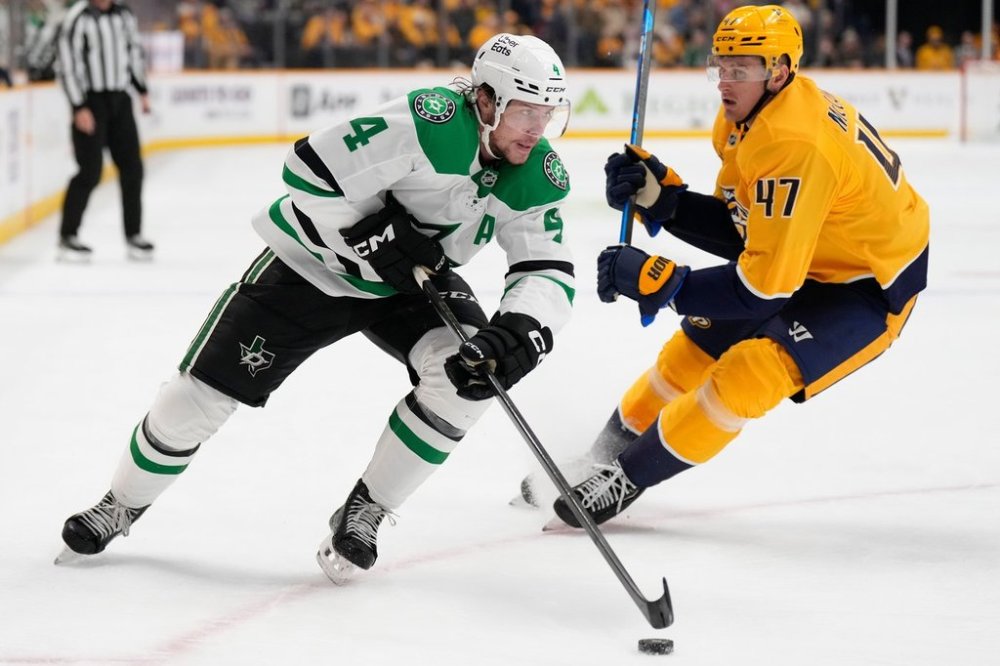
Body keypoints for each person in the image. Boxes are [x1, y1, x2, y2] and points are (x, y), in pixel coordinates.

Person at [56, 34, 575, 583]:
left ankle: (366, 508)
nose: (538, 128)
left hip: (412, 284)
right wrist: (374, 233)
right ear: (488, 101)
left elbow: (547, 269)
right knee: (197, 399)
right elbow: (307, 170)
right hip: (314, 267)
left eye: (549, 113)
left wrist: (522, 329)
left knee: (470, 376)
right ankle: (122, 502)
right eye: (525, 111)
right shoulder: (431, 122)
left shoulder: (538, 173)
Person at [518, 5, 929, 528]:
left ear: (779, 71)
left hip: (869, 284)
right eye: (722, 66)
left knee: (749, 373)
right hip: (812, 254)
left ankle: (627, 475)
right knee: (689, 354)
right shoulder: (746, 116)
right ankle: (597, 457)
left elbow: (762, 289)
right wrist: (664, 199)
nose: (726, 82)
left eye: (743, 69)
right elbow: (744, 230)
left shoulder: (794, 143)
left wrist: (662, 282)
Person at [56, 0, 153, 260]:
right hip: (91, 102)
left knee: (133, 168)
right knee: (89, 171)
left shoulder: (123, 14)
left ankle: (134, 235)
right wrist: (79, 106)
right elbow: (67, 65)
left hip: (120, 101)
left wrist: (142, 90)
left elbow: (133, 52)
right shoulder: (77, 17)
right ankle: (68, 236)